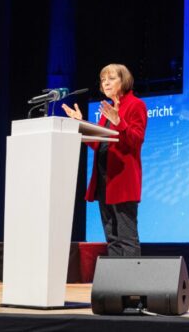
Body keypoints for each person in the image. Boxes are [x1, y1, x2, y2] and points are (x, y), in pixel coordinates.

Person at [62, 64, 148, 256]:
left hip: (123, 181)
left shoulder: (136, 105)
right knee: (112, 238)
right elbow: (99, 144)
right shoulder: (107, 109)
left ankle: (132, 283)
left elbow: (136, 141)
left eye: (111, 78)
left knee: (127, 237)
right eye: (103, 80)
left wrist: (119, 122)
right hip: (104, 182)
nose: (106, 83)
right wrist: (80, 123)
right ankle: (117, 284)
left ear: (123, 81)